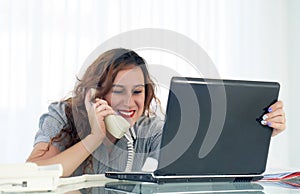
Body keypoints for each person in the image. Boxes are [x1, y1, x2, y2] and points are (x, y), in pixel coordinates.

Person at [26, 48, 286, 177]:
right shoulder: (63, 114)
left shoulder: (146, 129)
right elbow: (34, 172)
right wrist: (93, 137)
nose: (130, 102)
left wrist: (258, 131)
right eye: (118, 91)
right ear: (97, 93)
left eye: (137, 91)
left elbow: (204, 155)